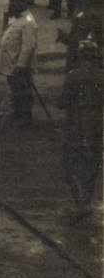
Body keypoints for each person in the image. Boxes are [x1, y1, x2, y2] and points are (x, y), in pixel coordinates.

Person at [60, 37, 102, 221]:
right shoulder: (102, 76)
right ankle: (86, 200)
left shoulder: (73, 76)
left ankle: (80, 203)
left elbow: (62, 102)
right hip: (96, 125)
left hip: (75, 125)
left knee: (70, 164)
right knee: (92, 163)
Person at [1, 0, 40, 125]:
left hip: (21, 65)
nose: (12, 6)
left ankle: (24, 116)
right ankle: (17, 112)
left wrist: (21, 65)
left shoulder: (28, 22)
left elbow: (28, 47)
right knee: (15, 89)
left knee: (23, 90)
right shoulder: (17, 18)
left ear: (23, 5)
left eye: (15, 3)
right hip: (12, 62)